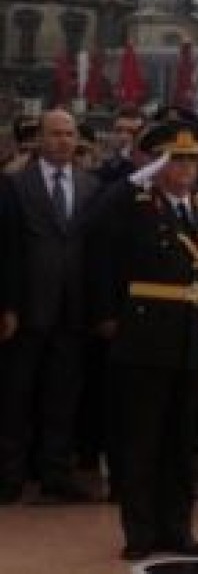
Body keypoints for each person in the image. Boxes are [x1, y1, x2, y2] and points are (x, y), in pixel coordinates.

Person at [87, 120, 198, 561]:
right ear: (158, 164)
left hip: (192, 339)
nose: (186, 168)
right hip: (145, 337)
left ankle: (178, 528)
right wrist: (139, 175)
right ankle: (140, 530)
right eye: (176, 159)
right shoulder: (133, 204)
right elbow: (95, 232)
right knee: (141, 440)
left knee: (180, 442)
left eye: (192, 159)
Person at [0, 109, 101, 504]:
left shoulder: (91, 186)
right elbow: (7, 250)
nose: (63, 141)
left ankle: (55, 473)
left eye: (70, 134)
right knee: (15, 396)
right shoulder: (13, 186)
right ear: (39, 139)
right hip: (26, 310)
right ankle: (9, 476)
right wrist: (7, 306)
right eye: (55, 134)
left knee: (63, 397)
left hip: (73, 311)